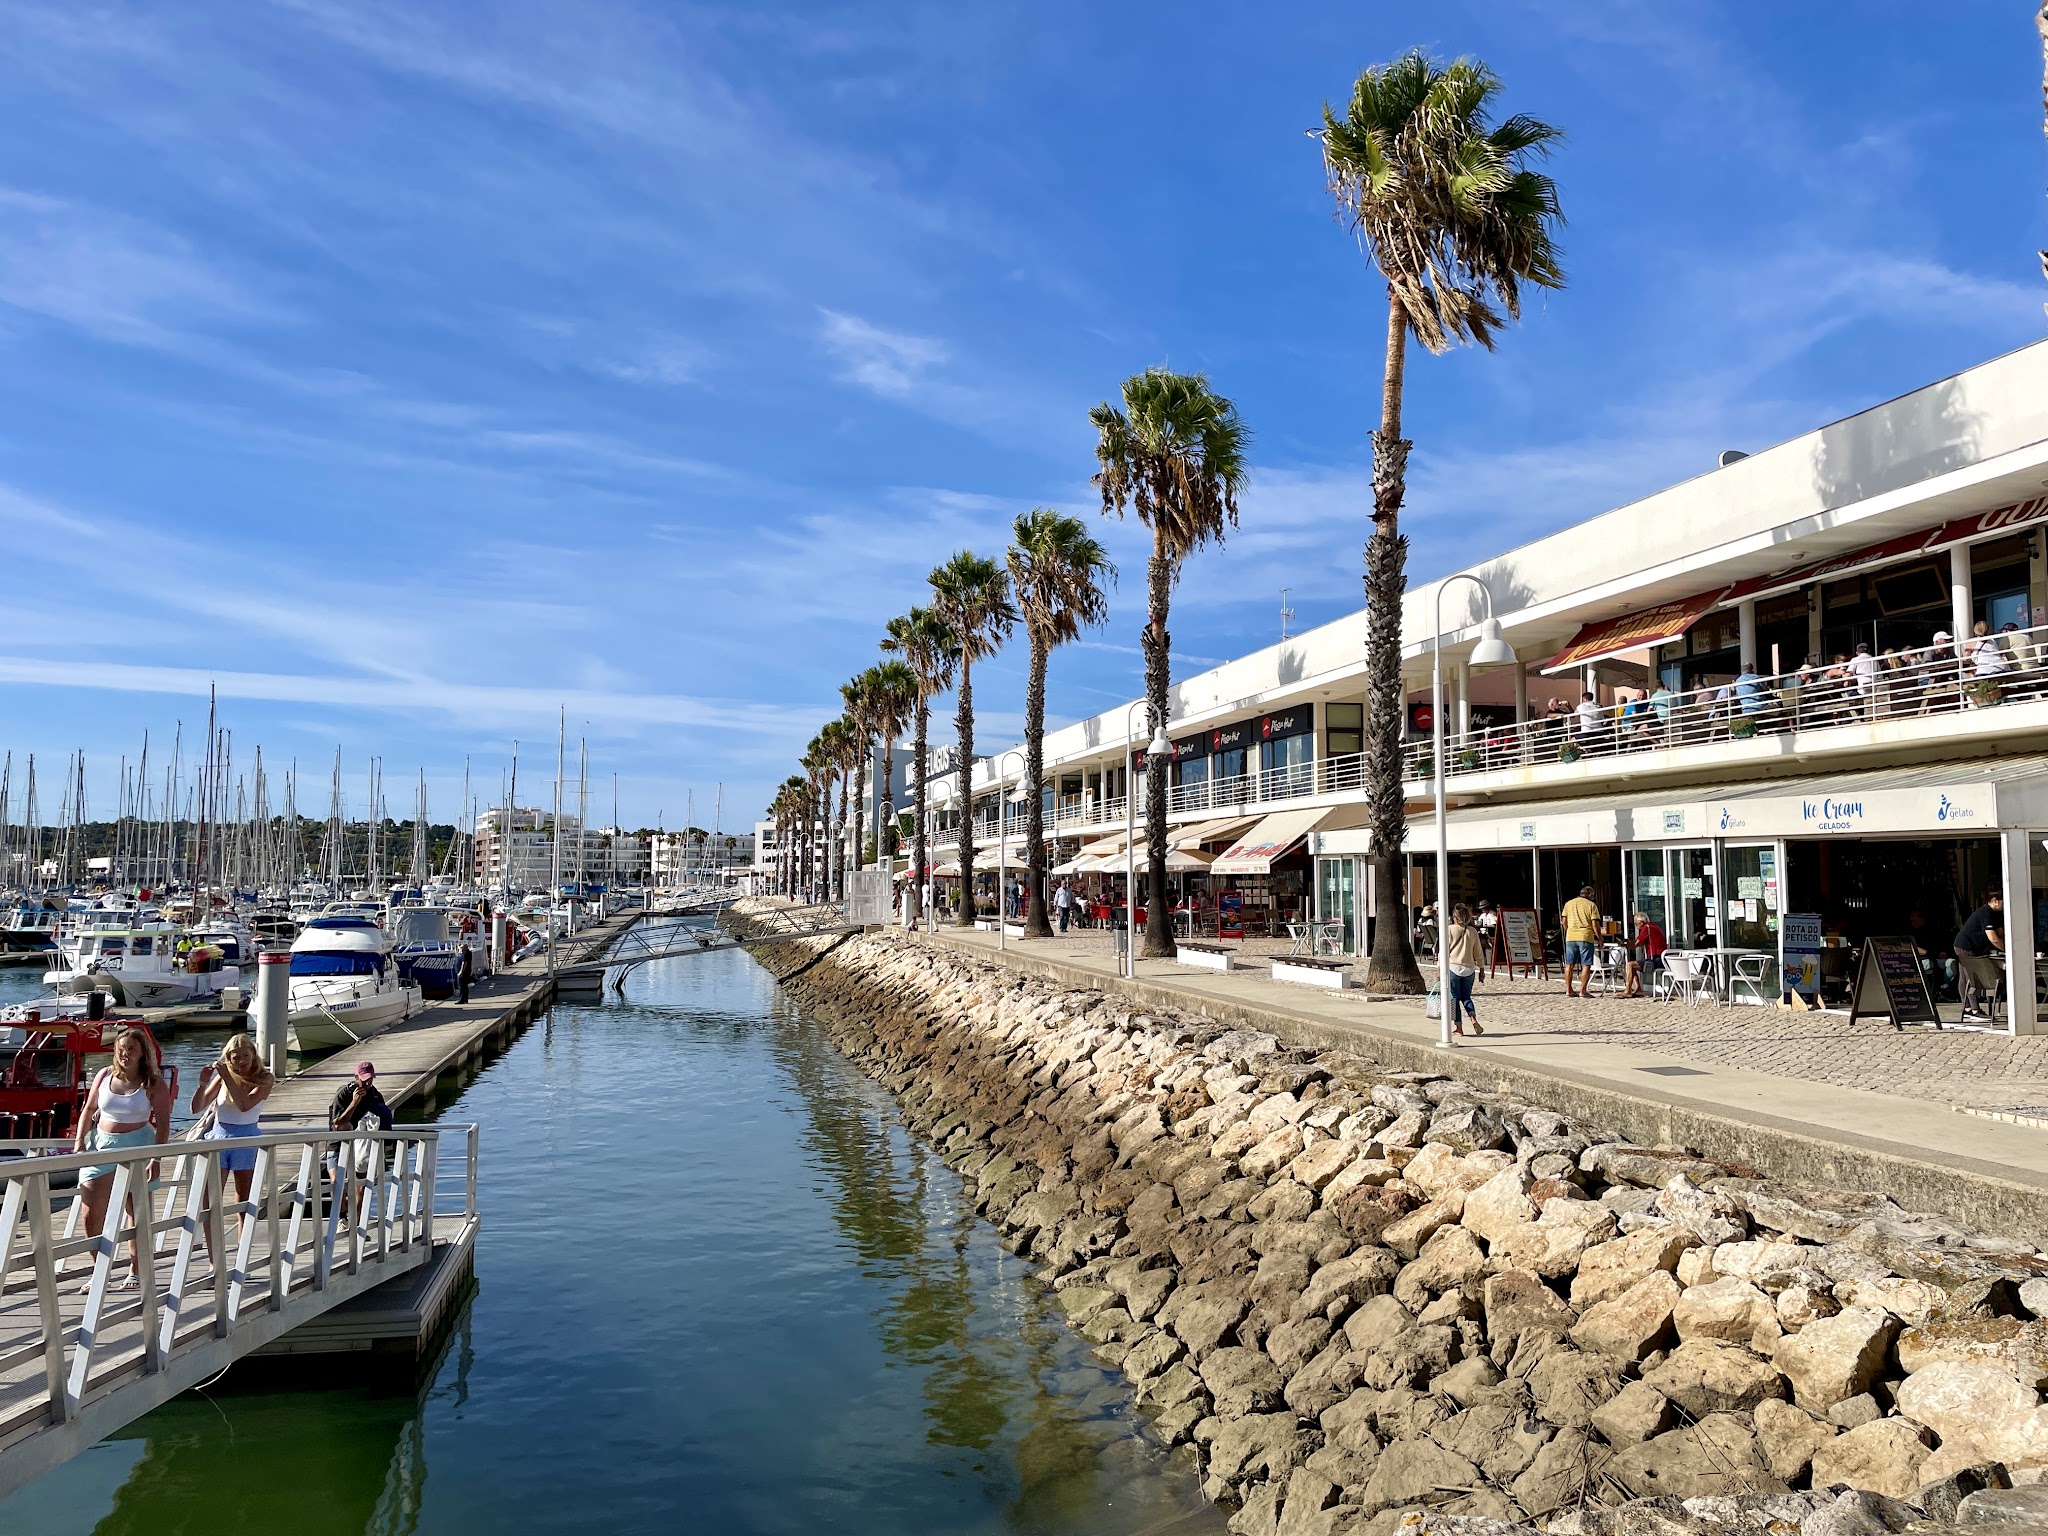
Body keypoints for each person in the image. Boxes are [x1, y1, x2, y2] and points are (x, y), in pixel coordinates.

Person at [70, 1025, 172, 1291]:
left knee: (135, 1211)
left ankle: (134, 1270)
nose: (125, 1054)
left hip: (138, 1145)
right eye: (121, 1049)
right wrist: (80, 1140)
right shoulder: (104, 1075)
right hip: (101, 1145)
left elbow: (163, 1124)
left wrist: (156, 1158)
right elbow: (89, 1108)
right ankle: (100, 1270)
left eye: (131, 1049)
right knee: (91, 1213)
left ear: (142, 1053)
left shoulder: (153, 1082)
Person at [190, 1031, 275, 1274]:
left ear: (253, 1055)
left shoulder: (264, 1078)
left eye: (245, 1056)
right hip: (219, 1136)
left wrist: (226, 1075)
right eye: (235, 1057)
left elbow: (245, 1104)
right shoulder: (223, 1077)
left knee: (244, 1200)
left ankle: (242, 1256)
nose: (240, 1062)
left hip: (246, 1138)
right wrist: (203, 1083)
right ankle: (214, 1260)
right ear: (228, 1057)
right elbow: (196, 1107)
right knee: (210, 1200)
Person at [330, 1061, 396, 1222]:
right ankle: (342, 1218)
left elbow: (385, 1119)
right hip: (338, 1143)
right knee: (336, 1183)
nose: (367, 1083)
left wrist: (387, 1143)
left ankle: (357, 1223)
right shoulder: (343, 1094)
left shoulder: (375, 1095)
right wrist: (355, 1102)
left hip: (361, 1145)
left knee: (362, 1186)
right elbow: (337, 1125)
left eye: (370, 1079)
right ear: (356, 1077)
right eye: (364, 1079)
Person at [1953, 888, 2006, 1023]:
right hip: (1966, 946)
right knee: (1971, 977)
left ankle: (1968, 1008)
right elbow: (1993, 938)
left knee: (1965, 977)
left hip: (1969, 946)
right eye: (2004, 901)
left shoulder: (1996, 914)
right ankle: (1974, 1010)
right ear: (1995, 901)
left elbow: (2000, 932)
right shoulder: (1986, 912)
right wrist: (2007, 949)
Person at [1442, 904, 1486, 1037]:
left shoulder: (1449, 929)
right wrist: (1482, 969)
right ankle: (1473, 1018)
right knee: (1466, 997)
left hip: (1453, 967)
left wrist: (1439, 969)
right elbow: (1478, 952)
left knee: (1454, 998)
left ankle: (1459, 1027)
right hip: (1469, 969)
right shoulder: (1472, 931)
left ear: (1454, 916)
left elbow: (1444, 950)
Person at [1561, 884, 1602, 999]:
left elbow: (1564, 921)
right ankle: (1583, 991)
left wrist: (1568, 930)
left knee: (1569, 964)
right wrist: (1599, 938)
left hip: (1571, 936)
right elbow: (1595, 923)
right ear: (1589, 895)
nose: (1593, 898)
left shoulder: (1569, 904)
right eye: (1592, 896)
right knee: (1586, 964)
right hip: (1585, 936)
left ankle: (1569, 990)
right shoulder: (1591, 905)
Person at [1624, 909, 1666, 998]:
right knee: (1632, 966)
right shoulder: (1653, 926)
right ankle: (1638, 989)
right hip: (1661, 958)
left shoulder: (1647, 928)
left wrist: (1625, 944)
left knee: (1630, 965)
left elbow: (1636, 944)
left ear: (1641, 922)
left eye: (1636, 923)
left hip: (1656, 958)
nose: (1635, 925)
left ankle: (1627, 991)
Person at [457, 941, 474, 1005]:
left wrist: (461, 971)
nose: (460, 948)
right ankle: (465, 999)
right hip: (468, 971)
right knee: (465, 986)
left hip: (464, 972)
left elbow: (464, 963)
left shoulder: (465, 954)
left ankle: (461, 999)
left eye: (461, 947)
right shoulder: (469, 953)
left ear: (465, 948)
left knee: (462, 986)